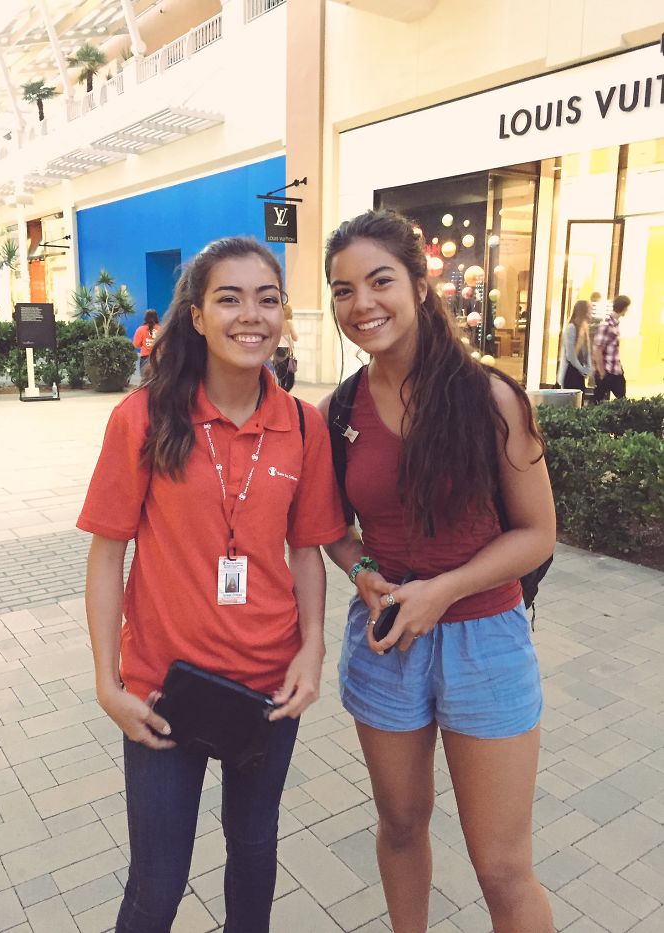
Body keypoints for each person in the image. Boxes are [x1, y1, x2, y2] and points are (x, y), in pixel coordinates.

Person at [77, 237, 346, 933]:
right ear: (196, 315)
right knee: (157, 886)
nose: (250, 315)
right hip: (161, 693)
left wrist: (313, 647)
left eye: (267, 299)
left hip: (269, 691)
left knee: (253, 857)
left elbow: (307, 551)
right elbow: (107, 555)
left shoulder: (302, 425)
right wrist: (108, 683)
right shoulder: (142, 417)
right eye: (229, 299)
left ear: (283, 313)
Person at [320, 210, 556, 933]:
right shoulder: (338, 411)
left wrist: (445, 590)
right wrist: (362, 569)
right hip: (387, 639)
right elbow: (333, 530)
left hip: (486, 641)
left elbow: (538, 534)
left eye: (380, 281)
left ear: (420, 287)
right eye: (343, 289)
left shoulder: (491, 399)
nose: (362, 303)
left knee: (502, 867)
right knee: (399, 825)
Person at [593, 294, 630, 402]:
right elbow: (598, 350)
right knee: (598, 401)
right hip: (607, 371)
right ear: (624, 308)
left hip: (616, 370)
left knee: (622, 400)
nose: (627, 310)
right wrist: (602, 373)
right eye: (627, 308)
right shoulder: (606, 325)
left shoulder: (615, 325)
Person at [557, 299, 592, 391]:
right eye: (589, 309)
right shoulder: (571, 328)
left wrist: (588, 368)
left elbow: (587, 352)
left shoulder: (584, 328)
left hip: (579, 372)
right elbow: (570, 355)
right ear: (583, 311)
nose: (591, 312)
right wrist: (582, 369)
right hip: (570, 371)